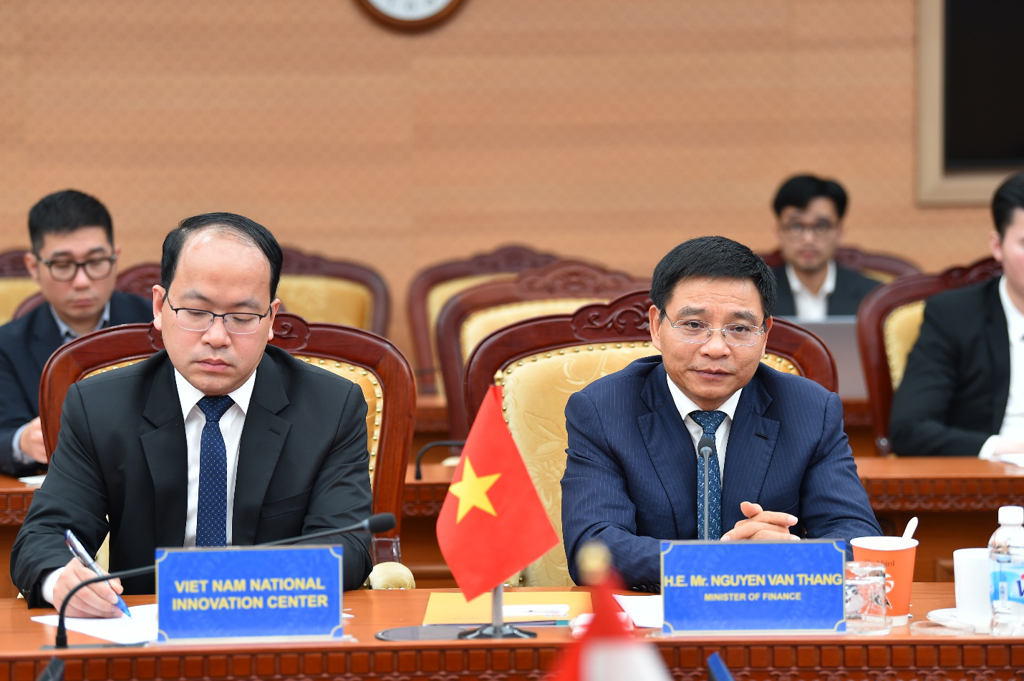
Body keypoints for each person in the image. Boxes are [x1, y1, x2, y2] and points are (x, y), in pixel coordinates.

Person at [11, 212, 374, 615]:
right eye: (196, 312)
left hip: (275, 622)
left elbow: (347, 545)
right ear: (159, 306)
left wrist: (222, 588)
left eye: (242, 317)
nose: (217, 337)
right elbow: (45, 536)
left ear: (271, 319)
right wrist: (61, 579)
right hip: (145, 636)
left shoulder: (330, 406)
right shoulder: (100, 407)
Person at [560, 236, 880, 590]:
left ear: (765, 335)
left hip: (766, 616)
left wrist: (789, 554)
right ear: (656, 326)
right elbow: (592, 548)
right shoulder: (603, 410)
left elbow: (860, 540)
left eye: (739, 329)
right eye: (694, 325)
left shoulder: (809, 410)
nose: (716, 348)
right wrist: (729, 563)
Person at [0, 190, 152, 478]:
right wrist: (23, 441)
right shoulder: (7, 345)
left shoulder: (158, 327)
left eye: (96, 261)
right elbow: (4, 433)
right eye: (62, 265)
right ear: (34, 267)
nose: (82, 281)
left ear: (115, 258)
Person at [890, 172, 1024, 457]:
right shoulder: (954, 317)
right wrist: (1002, 447)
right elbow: (909, 429)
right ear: (997, 246)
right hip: (987, 474)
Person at [770, 174, 879, 320]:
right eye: (796, 226)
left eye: (821, 226)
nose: (808, 239)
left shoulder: (873, 297)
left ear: (840, 232)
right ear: (779, 232)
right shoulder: (756, 295)